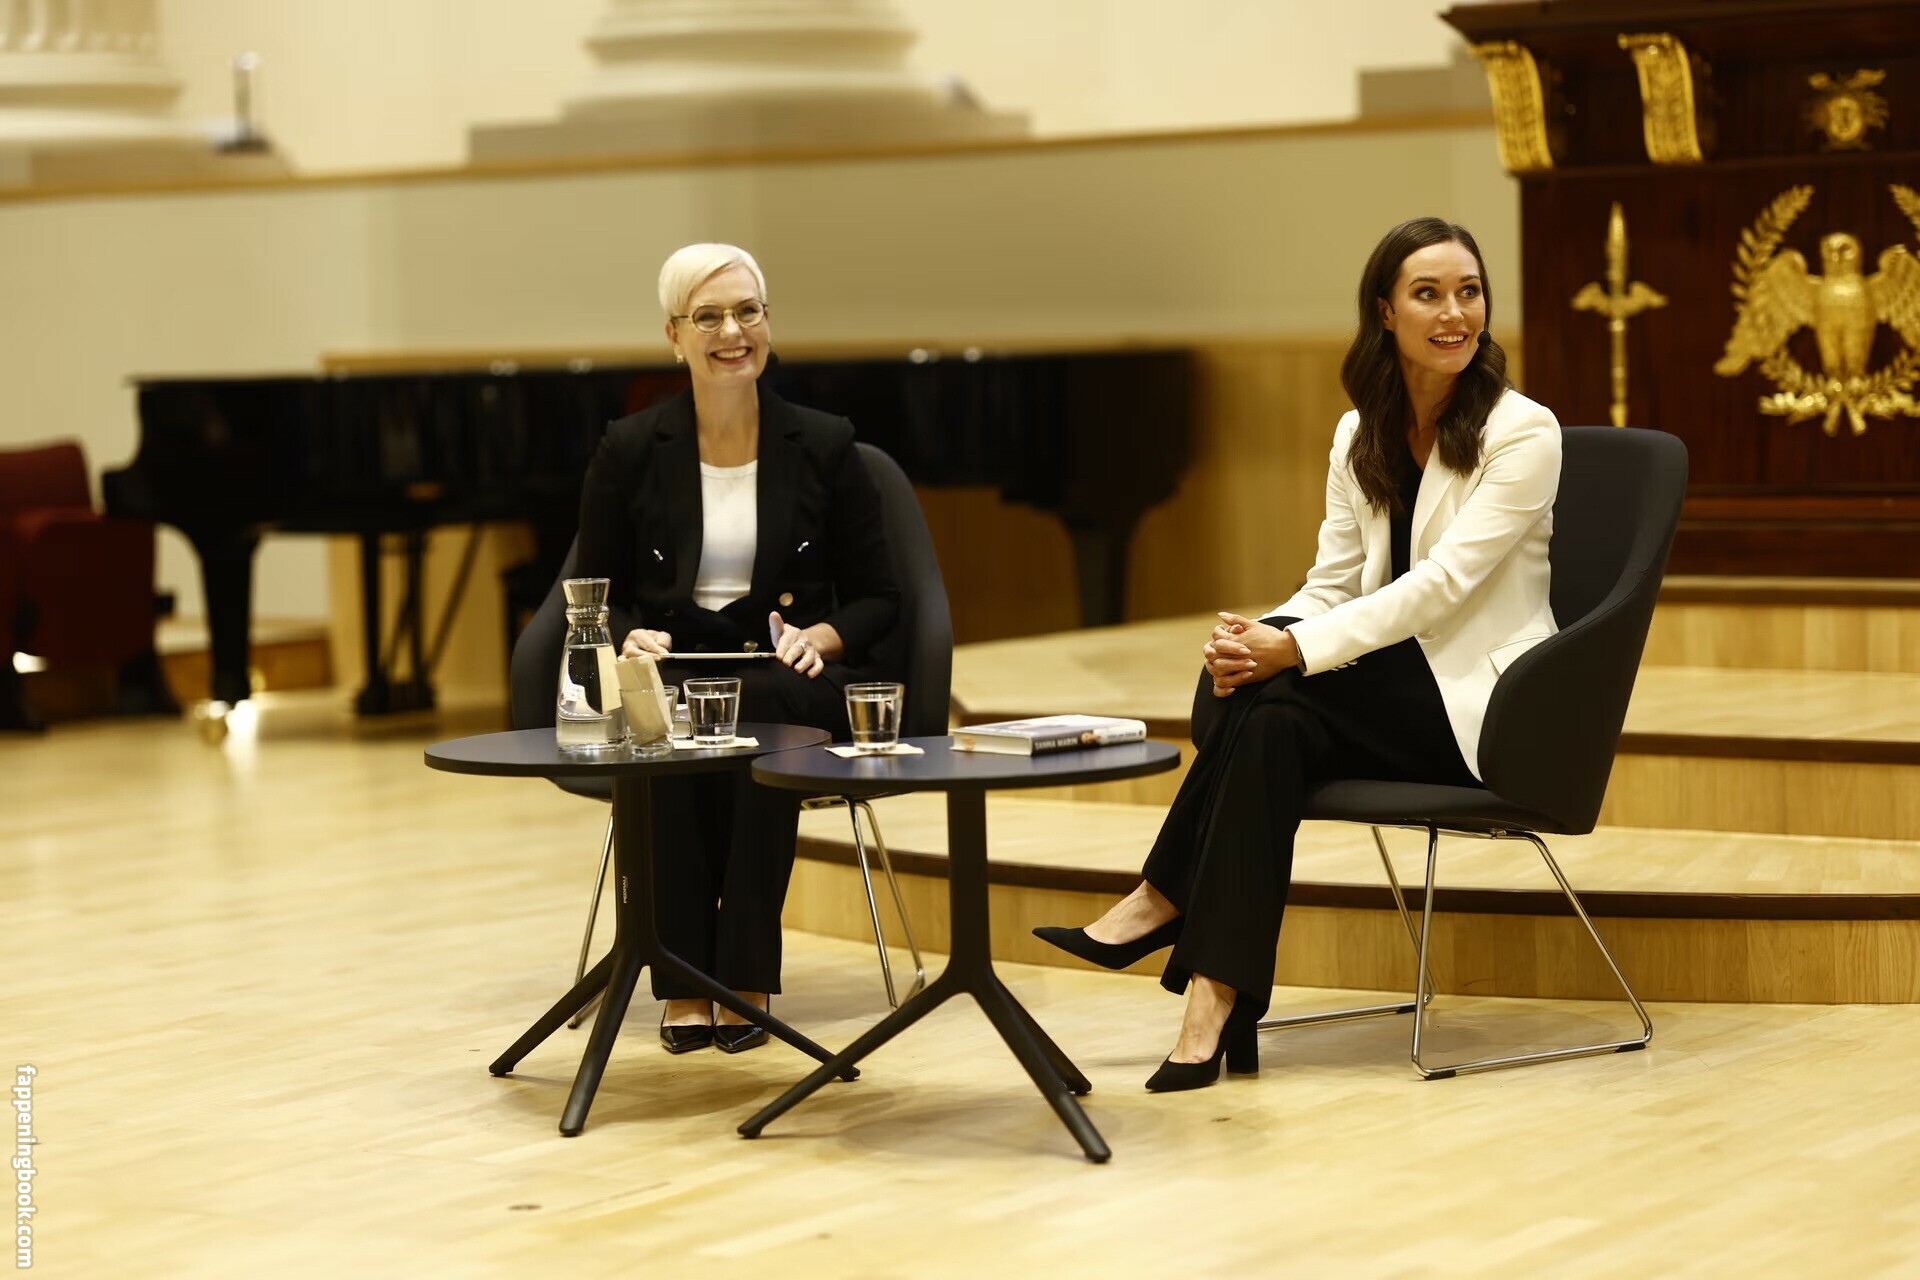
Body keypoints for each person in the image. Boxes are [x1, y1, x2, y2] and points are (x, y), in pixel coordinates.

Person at [1034, 217, 1562, 1091]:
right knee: (1263, 710)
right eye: (1428, 294)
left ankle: (1161, 899)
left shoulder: (1523, 431)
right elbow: (1335, 581)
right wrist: (1260, 637)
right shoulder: (1361, 432)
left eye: (1468, 292)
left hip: (1480, 703)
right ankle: (1213, 1001)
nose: (1455, 313)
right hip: (1384, 688)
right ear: (1384, 311)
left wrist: (1294, 649)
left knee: (1277, 694)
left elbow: (1441, 588)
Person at [574, 243, 901, 1054]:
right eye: (709, 317)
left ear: (768, 323)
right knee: (666, 720)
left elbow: (880, 596)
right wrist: (628, 633)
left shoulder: (823, 442)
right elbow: (592, 591)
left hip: (790, 677)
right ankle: (686, 979)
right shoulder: (629, 448)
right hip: (674, 675)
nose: (732, 332)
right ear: (673, 335)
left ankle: (745, 974)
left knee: (756, 709)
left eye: (747, 312)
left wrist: (821, 636)